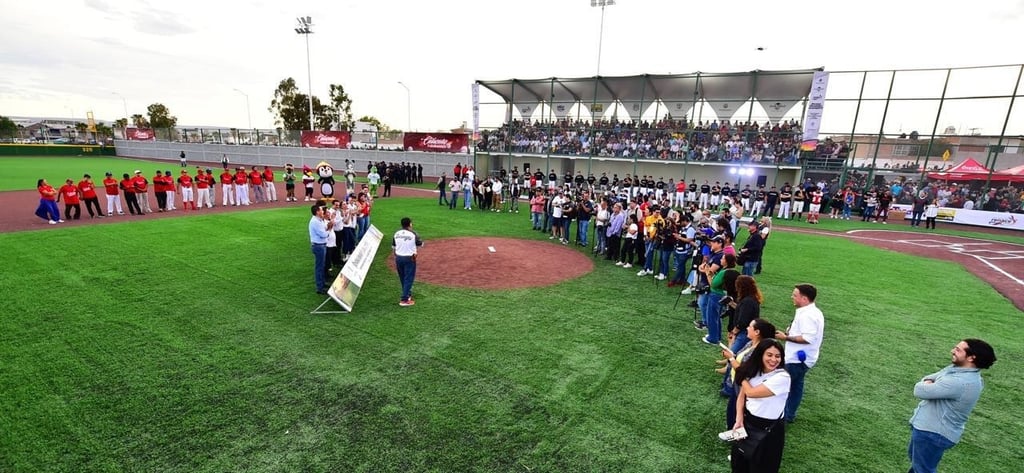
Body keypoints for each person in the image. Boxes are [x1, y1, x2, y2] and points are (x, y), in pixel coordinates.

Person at [907, 339, 996, 473]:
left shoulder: (959, 382)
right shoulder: (959, 370)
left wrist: (928, 383)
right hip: (931, 431)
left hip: (932, 433)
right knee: (918, 466)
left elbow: (919, 390)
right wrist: (929, 382)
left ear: (972, 358)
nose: (952, 351)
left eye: (958, 350)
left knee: (923, 469)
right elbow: (929, 377)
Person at [730, 338, 791, 473]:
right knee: (738, 465)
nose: (774, 360)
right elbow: (742, 395)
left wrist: (740, 374)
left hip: (769, 431)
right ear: (760, 355)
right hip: (748, 422)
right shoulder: (753, 371)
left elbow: (751, 393)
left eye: (777, 356)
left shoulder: (783, 378)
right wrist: (739, 419)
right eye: (769, 355)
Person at [776, 284, 825, 423]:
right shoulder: (813, 312)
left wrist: (785, 337)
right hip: (805, 358)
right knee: (797, 386)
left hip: (797, 359)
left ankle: (781, 417)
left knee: (783, 387)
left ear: (804, 298)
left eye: (795, 295)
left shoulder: (807, 315)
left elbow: (807, 338)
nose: (792, 297)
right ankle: (789, 415)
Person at [720, 318, 777, 428]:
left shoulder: (759, 351)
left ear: (757, 332)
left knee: (736, 412)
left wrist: (731, 359)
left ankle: (736, 435)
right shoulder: (751, 343)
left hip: (744, 386)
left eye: (750, 326)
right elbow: (738, 358)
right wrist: (731, 344)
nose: (747, 328)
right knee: (733, 410)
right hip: (738, 383)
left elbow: (744, 370)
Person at [393, 217, 423, 306]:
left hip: (398, 258)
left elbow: (394, 246)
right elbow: (420, 244)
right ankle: (404, 299)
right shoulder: (413, 233)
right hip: (409, 258)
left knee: (402, 277)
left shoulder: (397, 233)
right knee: (408, 278)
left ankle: (407, 294)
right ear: (410, 224)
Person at [308, 203, 333, 295]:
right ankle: (320, 287)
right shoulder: (315, 222)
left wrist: (328, 227)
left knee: (321, 266)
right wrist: (329, 228)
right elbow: (323, 234)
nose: (323, 212)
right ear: (317, 212)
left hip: (321, 245)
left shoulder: (319, 220)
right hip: (319, 246)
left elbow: (323, 230)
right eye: (321, 210)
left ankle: (322, 283)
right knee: (319, 267)